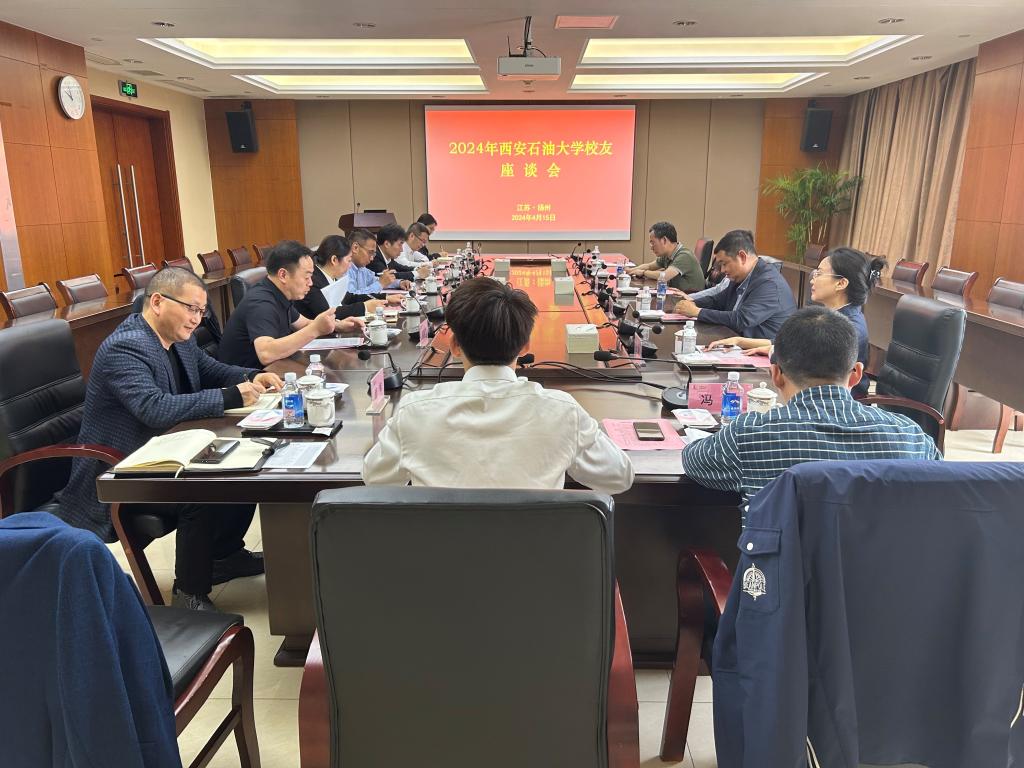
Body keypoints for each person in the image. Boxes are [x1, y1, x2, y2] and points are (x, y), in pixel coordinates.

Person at [54, 267, 285, 611]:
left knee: (245, 462)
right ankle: (189, 593)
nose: (196, 319)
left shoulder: (178, 340)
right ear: (158, 302)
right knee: (201, 487)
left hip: (161, 450)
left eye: (201, 311)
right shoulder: (125, 347)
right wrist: (231, 396)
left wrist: (254, 376)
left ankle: (223, 556)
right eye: (191, 308)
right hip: (119, 469)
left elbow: (212, 370)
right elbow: (154, 409)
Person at [362, 277, 635, 494]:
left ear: (454, 346)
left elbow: (374, 479)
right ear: (525, 346)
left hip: (442, 550)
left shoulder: (413, 412)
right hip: (535, 551)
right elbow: (620, 477)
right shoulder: (563, 412)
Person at [683, 307, 941, 525]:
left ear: (776, 375)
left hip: (784, 572)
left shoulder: (750, 433)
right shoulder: (912, 438)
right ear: (856, 374)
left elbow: (693, 461)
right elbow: (943, 494)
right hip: (884, 571)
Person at [709, 247, 886, 397]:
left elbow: (799, 360)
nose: (813, 279)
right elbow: (795, 344)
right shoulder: (834, 316)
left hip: (835, 407)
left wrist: (774, 351)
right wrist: (740, 341)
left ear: (841, 283)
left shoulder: (846, 329)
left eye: (819, 273)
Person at [218, 240, 364, 369]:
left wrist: (337, 325)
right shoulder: (261, 303)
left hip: (273, 370)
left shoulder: (280, 293)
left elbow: (303, 323)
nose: (311, 283)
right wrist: (315, 329)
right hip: (246, 380)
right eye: (307, 277)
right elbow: (266, 353)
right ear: (283, 275)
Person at [672, 229, 796, 339]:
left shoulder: (769, 284)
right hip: (736, 342)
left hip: (762, 353)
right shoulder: (741, 277)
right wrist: (691, 304)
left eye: (724, 264)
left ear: (742, 257)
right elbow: (717, 301)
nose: (722, 270)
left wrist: (697, 312)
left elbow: (741, 319)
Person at [294, 234, 401, 322]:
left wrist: (384, 298)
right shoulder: (313, 281)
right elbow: (328, 313)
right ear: (334, 260)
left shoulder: (331, 277)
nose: (350, 266)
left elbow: (349, 298)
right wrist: (365, 307)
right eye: (349, 260)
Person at [626, 221, 705, 293]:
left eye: (653, 243)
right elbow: (649, 266)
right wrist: (630, 271)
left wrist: (643, 272)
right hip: (677, 294)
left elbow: (664, 276)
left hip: (690, 297)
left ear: (664, 240)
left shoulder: (684, 256)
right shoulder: (667, 254)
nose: (651, 247)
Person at [345, 227, 411, 307]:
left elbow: (376, 280)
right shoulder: (344, 269)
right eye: (370, 252)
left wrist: (399, 283)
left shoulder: (362, 269)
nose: (372, 258)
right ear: (355, 248)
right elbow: (351, 297)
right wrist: (380, 284)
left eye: (374, 254)